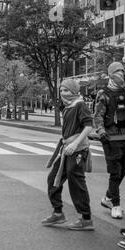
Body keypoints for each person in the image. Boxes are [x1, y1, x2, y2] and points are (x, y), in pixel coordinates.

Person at [42, 79, 94, 231]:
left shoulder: (80, 104)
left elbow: (88, 127)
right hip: (67, 149)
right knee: (53, 178)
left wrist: (75, 144)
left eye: (66, 90)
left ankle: (86, 219)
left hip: (77, 149)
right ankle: (58, 213)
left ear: (74, 91)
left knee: (75, 180)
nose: (63, 93)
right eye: (62, 90)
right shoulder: (68, 106)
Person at [94, 62, 125, 220]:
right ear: (110, 74)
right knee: (115, 172)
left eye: (122, 71)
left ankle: (108, 197)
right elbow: (97, 116)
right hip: (109, 138)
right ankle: (115, 205)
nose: (121, 73)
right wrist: (101, 131)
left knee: (124, 168)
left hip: (124, 137)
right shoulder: (104, 93)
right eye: (117, 71)